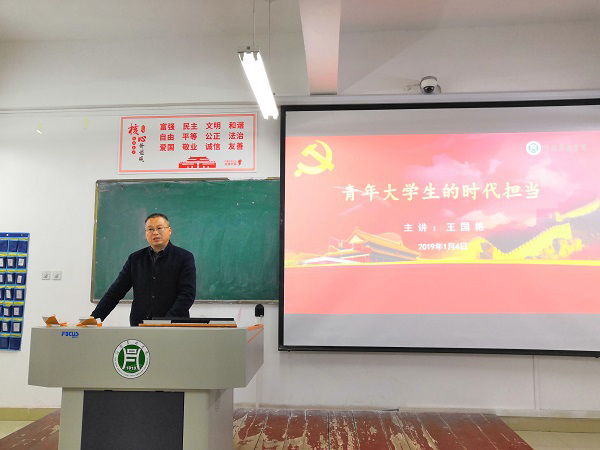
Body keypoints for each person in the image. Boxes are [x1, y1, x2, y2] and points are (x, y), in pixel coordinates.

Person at [91, 213, 196, 326]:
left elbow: (187, 294)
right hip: (140, 325)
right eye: (150, 229)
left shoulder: (184, 257)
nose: (155, 233)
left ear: (169, 230)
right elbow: (116, 291)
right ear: (146, 233)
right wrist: (95, 318)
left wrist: (168, 321)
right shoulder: (135, 259)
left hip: (174, 326)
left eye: (159, 228)